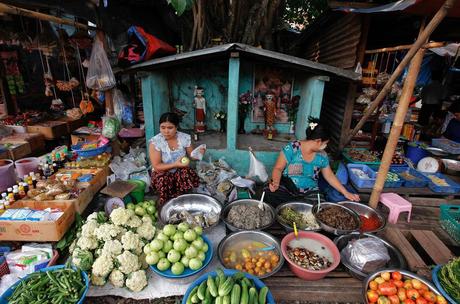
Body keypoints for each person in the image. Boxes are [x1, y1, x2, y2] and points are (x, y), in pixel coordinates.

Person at [265, 118, 360, 206]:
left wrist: (346, 192)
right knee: (268, 193)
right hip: (288, 188)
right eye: (325, 143)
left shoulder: (322, 156)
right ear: (318, 141)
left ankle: (295, 206)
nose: (325, 146)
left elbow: (330, 176)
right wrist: (276, 183)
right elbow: (278, 168)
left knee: (319, 207)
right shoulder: (292, 148)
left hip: (310, 192)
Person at [149, 112, 205, 204]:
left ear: (176, 127)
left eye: (170, 128)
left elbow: (192, 157)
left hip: (180, 170)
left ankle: (183, 197)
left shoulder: (184, 138)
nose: (166, 131)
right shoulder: (155, 142)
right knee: (163, 179)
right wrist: (175, 164)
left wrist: (199, 153)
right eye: (163, 127)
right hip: (163, 172)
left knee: (185, 172)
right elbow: (156, 166)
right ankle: (165, 200)